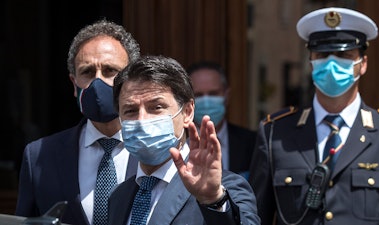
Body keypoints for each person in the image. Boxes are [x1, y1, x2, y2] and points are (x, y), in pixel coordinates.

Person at [248, 7, 379, 225]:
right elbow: (255, 217)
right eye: (322, 55)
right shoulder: (275, 133)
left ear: (363, 64)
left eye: (343, 55)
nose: (331, 64)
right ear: (310, 61)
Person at [108, 55, 260, 225]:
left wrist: (213, 200)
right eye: (130, 111)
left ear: (187, 112)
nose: (142, 119)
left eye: (156, 107)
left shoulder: (225, 188)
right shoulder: (119, 196)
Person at [15, 19, 140, 225]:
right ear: (74, 84)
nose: (98, 81)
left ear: (132, 79)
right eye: (88, 72)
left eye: (110, 71)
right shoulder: (39, 155)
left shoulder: (159, 148)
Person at [187, 61, 257, 179]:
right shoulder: (177, 144)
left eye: (213, 93)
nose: (207, 101)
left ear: (226, 95)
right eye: (198, 95)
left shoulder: (252, 142)